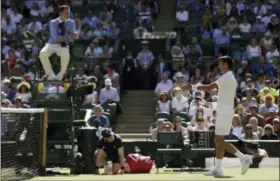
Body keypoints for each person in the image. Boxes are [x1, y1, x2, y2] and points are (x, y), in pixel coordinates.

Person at [185, 56, 253, 177]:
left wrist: (192, 86)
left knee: (219, 141)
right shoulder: (228, 77)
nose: (219, 66)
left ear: (226, 65)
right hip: (223, 111)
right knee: (219, 141)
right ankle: (219, 168)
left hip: (224, 113)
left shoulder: (227, 77)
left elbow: (209, 88)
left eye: (221, 64)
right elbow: (225, 97)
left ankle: (243, 158)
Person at [39, 5, 78, 80]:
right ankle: (51, 75)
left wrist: (74, 35)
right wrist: (69, 36)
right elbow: (54, 37)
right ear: (60, 13)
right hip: (52, 44)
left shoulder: (71, 22)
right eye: (66, 13)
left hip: (63, 44)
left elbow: (73, 34)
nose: (68, 15)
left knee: (66, 54)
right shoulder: (53, 22)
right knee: (42, 53)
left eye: (68, 13)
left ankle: (61, 75)